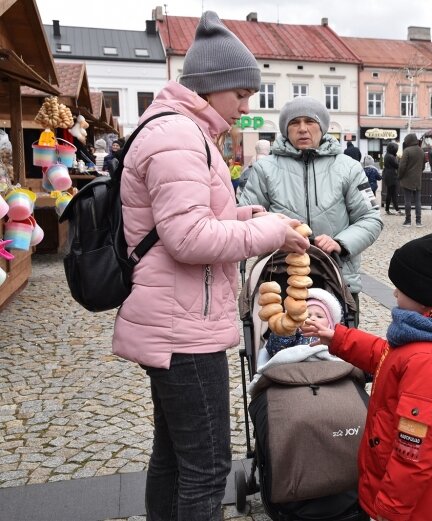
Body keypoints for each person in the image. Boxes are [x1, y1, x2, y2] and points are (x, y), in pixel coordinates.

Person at [111, 11, 310, 521]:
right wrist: (270, 233)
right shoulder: (178, 136)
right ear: (212, 86)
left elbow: (191, 218)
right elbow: (188, 237)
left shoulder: (182, 131)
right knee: (207, 466)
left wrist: (248, 215)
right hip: (184, 328)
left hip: (175, 317)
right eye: (241, 94)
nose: (246, 105)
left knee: (173, 456)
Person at [302, 232, 432, 521]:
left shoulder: (430, 364)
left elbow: (413, 456)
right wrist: (337, 338)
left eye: (400, 288)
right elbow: (387, 358)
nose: (393, 294)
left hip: (410, 507)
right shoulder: (427, 339)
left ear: (424, 295)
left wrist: (389, 510)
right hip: (401, 494)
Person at [238, 95, 383, 326]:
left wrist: (341, 243)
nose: (303, 129)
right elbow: (245, 215)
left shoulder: (348, 168)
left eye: (310, 122)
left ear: (322, 127)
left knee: (338, 354)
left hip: (336, 277)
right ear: (286, 129)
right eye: (295, 123)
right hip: (279, 277)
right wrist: (273, 231)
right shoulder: (264, 169)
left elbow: (370, 218)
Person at [263, 287, 343, 357]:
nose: (312, 318)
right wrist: (285, 332)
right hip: (298, 369)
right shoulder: (296, 336)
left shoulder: (332, 338)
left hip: (327, 369)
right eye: (308, 316)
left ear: (330, 324)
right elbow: (275, 351)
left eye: (319, 316)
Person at [398, 133, 425, 227]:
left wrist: (400, 176)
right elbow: (423, 166)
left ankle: (408, 221)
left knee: (407, 201)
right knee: (418, 201)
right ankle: (418, 221)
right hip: (417, 180)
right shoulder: (421, 151)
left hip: (407, 180)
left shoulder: (407, 151)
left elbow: (402, 166)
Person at [383, 142, 401, 215]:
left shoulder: (387, 155)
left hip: (387, 175)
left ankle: (387, 209)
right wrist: (398, 159)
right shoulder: (391, 157)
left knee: (389, 193)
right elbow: (397, 165)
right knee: (393, 193)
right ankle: (397, 209)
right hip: (392, 176)